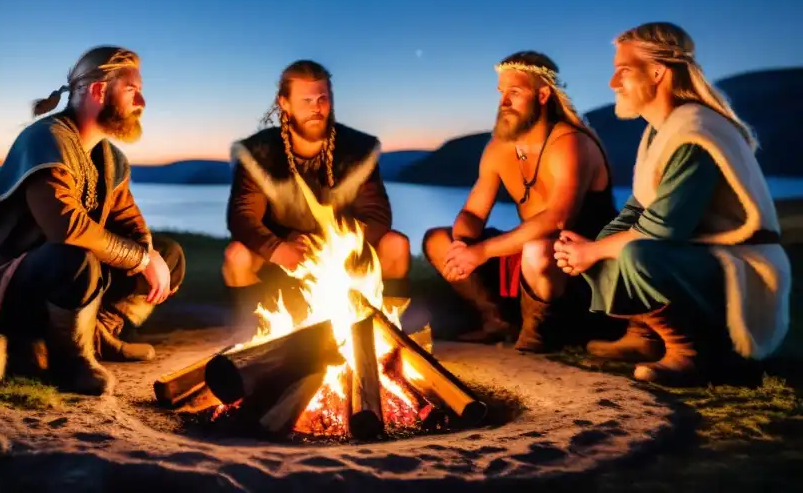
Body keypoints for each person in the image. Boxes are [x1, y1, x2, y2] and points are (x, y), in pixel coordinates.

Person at [0, 46, 185, 396]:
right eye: (132, 90)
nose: (141, 100)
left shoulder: (111, 159)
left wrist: (149, 255)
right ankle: (70, 362)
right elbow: (66, 227)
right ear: (98, 91)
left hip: (73, 283)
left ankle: (98, 334)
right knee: (74, 257)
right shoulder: (45, 139)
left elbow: (130, 223)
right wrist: (140, 258)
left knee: (169, 256)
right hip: (13, 286)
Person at [554, 22, 791, 385]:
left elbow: (662, 229)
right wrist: (587, 247)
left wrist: (595, 251)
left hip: (740, 269)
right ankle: (646, 335)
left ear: (657, 72)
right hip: (700, 255)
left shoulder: (695, 132)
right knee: (607, 242)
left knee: (639, 253)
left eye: (623, 71)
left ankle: (696, 354)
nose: (612, 84)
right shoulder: (661, 129)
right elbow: (637, 208)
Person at [423, 52, 616, 352]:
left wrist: (482, 251)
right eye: (501, 93)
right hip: (532, 264)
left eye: (514, 93)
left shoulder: (569, 142)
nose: (503, 104)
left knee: (539, 247)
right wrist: (462, 243)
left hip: (581, 266)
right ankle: (497, 322)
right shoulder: (499, 148)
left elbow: (558, 219)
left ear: (542, 95)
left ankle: (540, 334)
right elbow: (474, 212)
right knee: (438, 240)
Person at [222, 59, 413, 331]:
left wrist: (333, 247)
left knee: (396, 245)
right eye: (306, 100)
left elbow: (377, 214)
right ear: (284, 103)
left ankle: (386, 334)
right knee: (237, 255)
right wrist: (279, 248)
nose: (316, 108)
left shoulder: (357, 150)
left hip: (344, 254)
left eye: (323, 98)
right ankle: (257, 335)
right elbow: (242, 217)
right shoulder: (258, 154)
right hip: (286, 253)